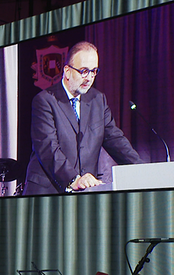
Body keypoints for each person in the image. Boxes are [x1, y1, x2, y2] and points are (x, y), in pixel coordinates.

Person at [23, 41, 144, 195]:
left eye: (94, 71)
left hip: (84, 193)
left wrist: (141, 169)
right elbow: (48, 148)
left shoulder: (98, 100)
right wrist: (74, 179)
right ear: (67, 71)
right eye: (84, 71)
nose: (89, 78)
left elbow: (115, 140)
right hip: (47, 191)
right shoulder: (44, 100)